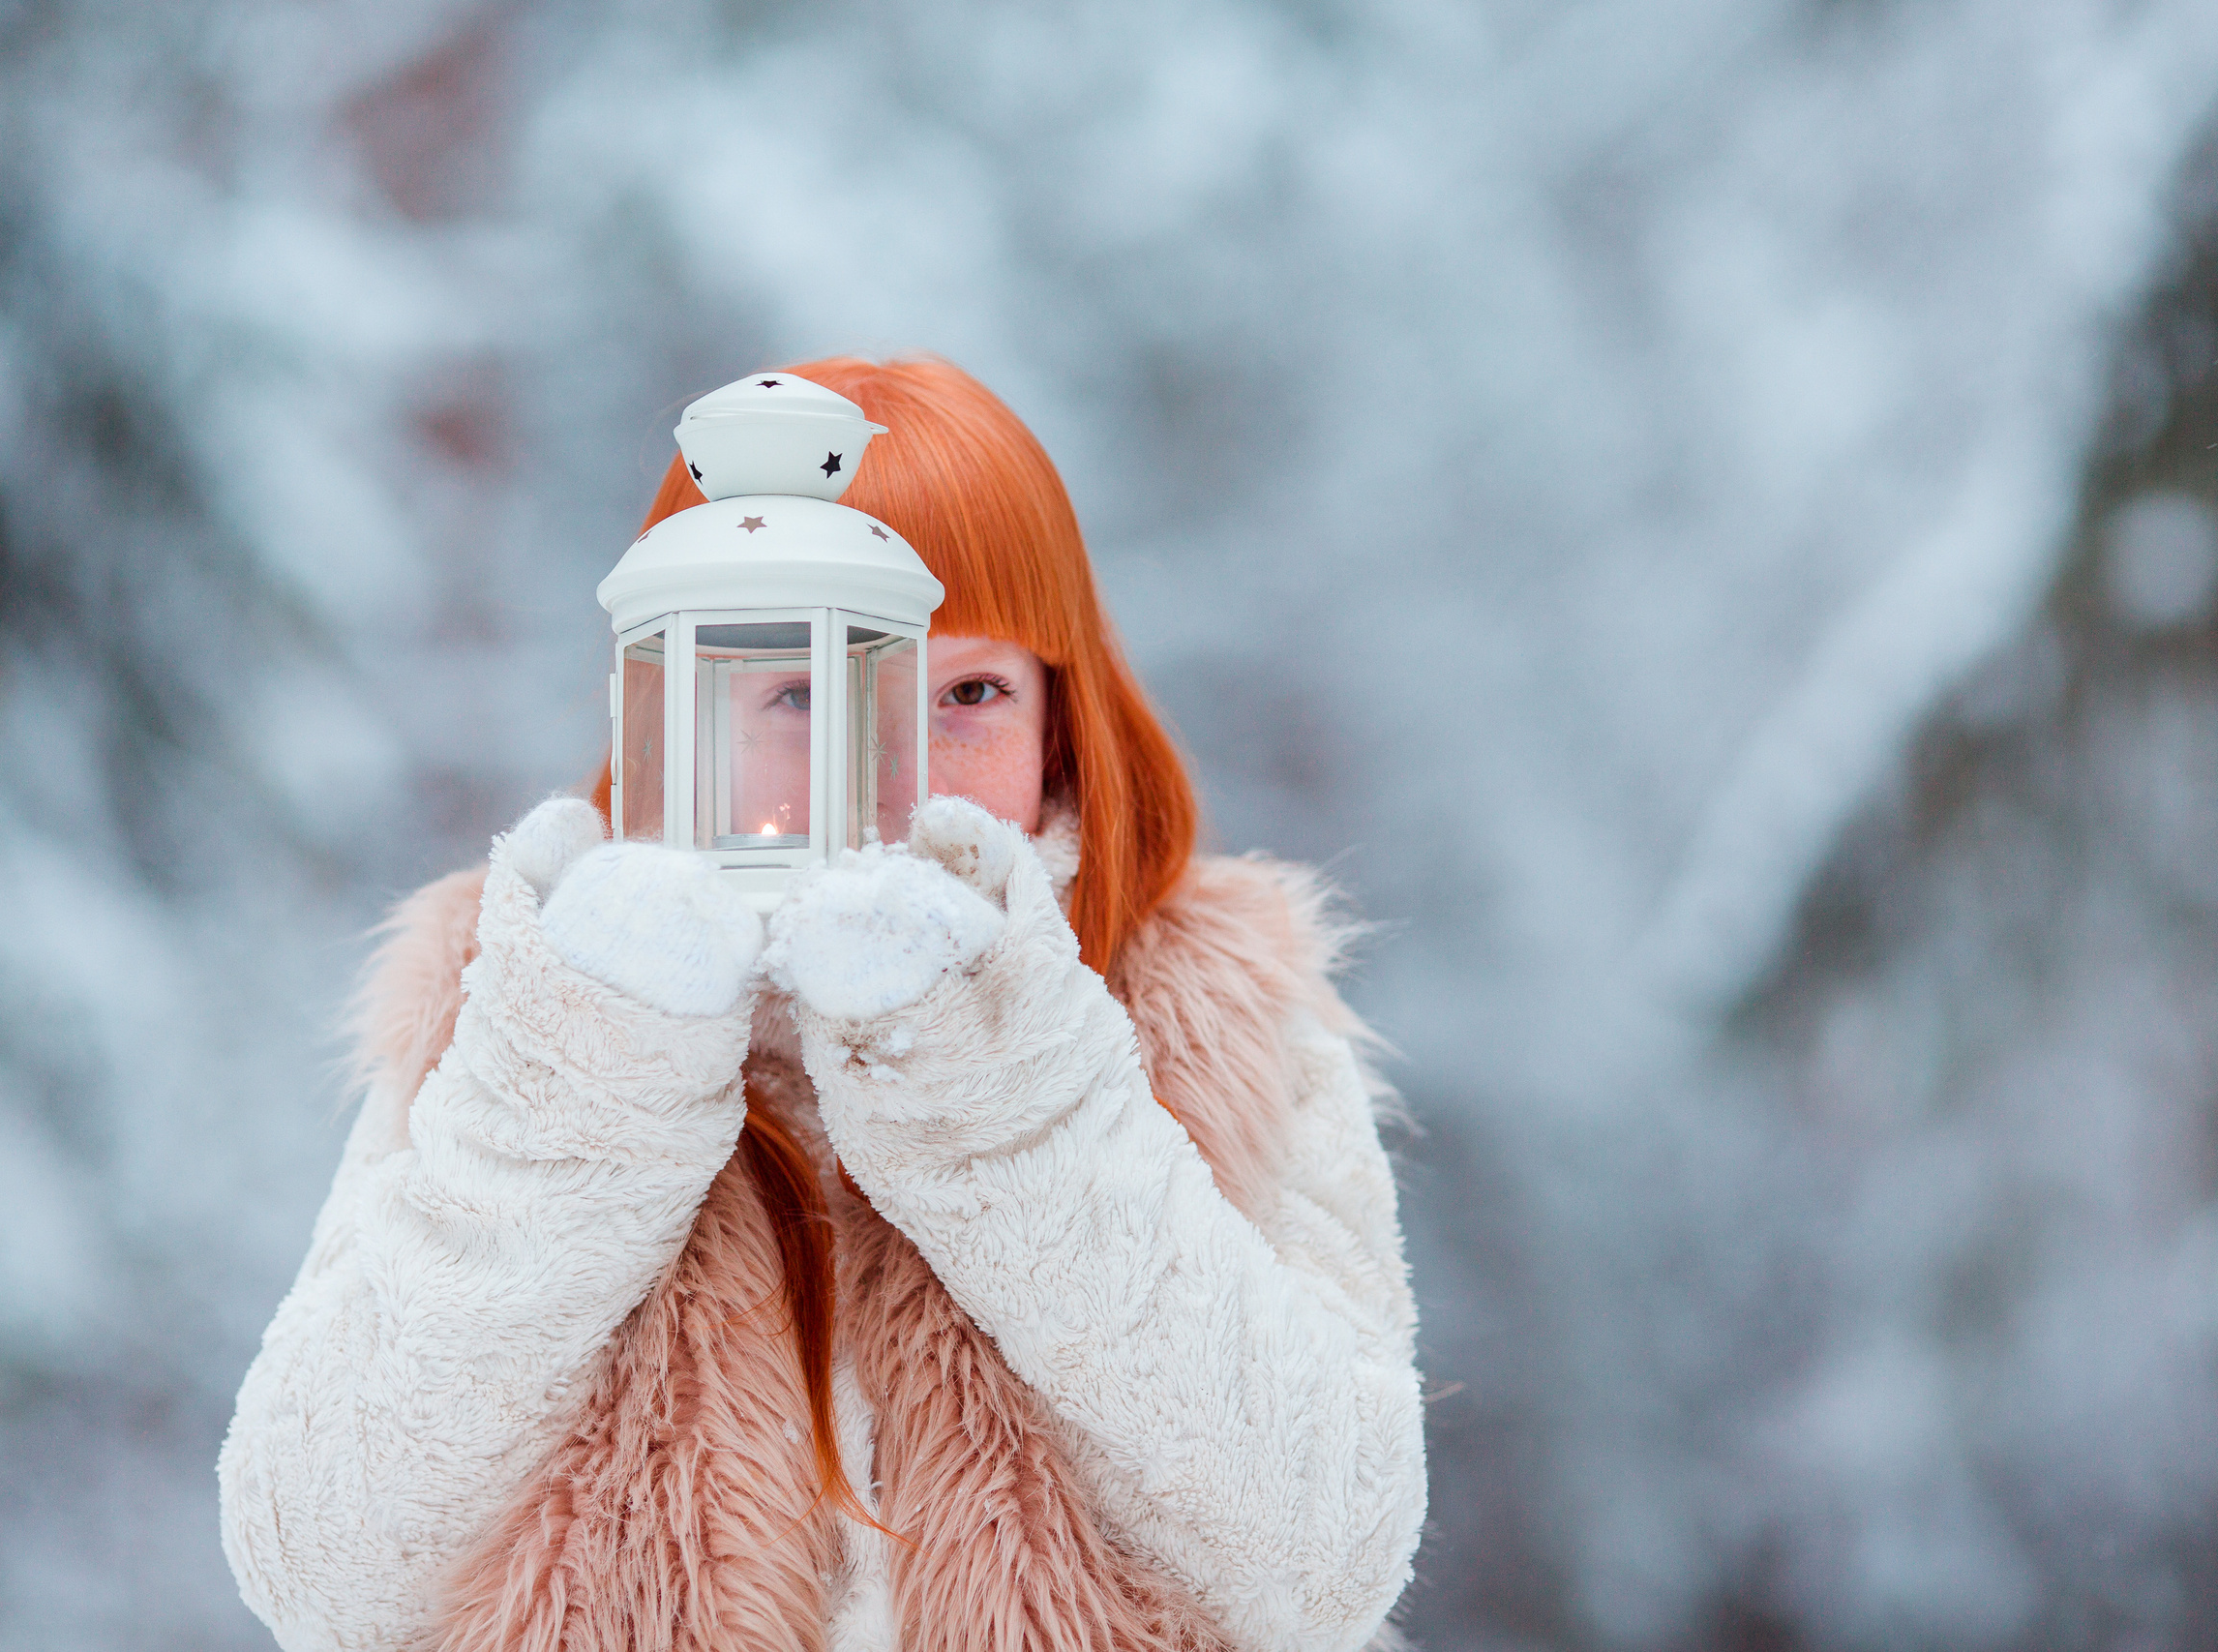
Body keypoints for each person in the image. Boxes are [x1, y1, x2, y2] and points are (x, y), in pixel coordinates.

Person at [218, 357, 1425, 1652]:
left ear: (1061, 726)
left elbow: (1328, 1567)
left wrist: (1001, 1101)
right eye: (804, 692)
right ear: (682, 711)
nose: (891, 772)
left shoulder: (1209, 1016)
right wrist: (590, 1097)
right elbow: (321, 1570)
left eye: (968, 695)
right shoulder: (516, 1010)